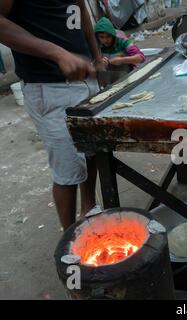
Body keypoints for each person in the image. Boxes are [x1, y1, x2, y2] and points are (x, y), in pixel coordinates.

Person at [0, 0, 104, 230]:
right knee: (68, 168)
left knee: (91, 150)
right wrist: (57, 53)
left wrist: (96, 56)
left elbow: (78, 11)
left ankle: (89, 207)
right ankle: (69, 242)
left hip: (85, 79)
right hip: (49, 88)